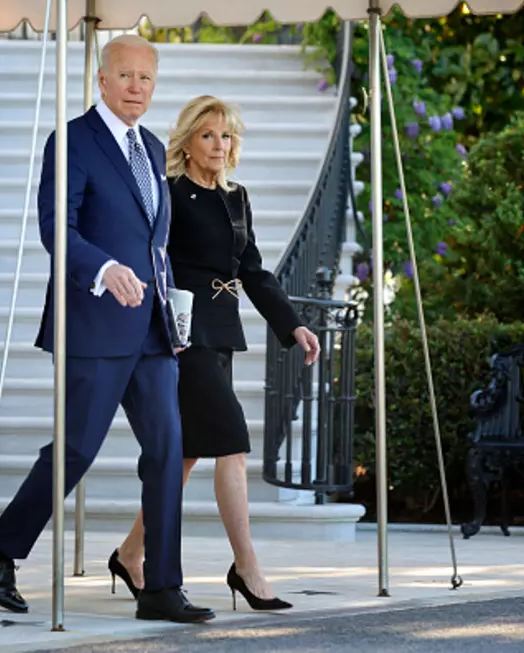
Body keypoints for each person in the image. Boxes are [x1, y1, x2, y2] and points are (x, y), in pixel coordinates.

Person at [0, 35, 214, 625]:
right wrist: (104, 269)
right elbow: (58, 228)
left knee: (167, 449)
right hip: (93, 323)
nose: (137, 87)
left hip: (153, 332)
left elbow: (156, 243)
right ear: (101, 81)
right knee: (75, 450)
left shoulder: (155, 148)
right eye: (126, 76)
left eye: (147, 79)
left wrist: (173, 311)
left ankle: (161, 588)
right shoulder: (71, 139)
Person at [109, 96, 321, 611]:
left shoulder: (236, 197)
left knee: (184, 455)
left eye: (226, 136)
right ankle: (246, 567)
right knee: (232, 440)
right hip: (182, 332)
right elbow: (150, 259)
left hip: (221, 332)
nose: (219, 145)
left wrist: (292, 325)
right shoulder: (169, 194)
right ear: (187, 141)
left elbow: (252, 270)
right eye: (207, 135)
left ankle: (131, 552)